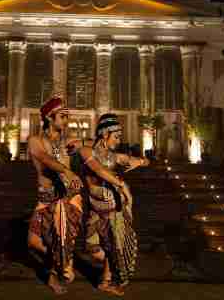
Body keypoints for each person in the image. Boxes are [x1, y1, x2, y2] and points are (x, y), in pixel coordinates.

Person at [78, 113, 150, 296]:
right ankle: (115, 264)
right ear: (104, 134)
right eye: (116, 137)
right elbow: (99, 171)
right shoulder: (87, 152)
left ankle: (106, 281)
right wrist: (120, 184)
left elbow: (140, 160)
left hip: (113, 206)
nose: (118, 141)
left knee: (112, 244)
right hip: (96, 206)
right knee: (91, 248)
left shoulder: (113, 156)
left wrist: (140, 161)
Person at [27, 96, 84, 294]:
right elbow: (44, 159)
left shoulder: (67, 142)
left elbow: (90, 145)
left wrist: (83, 143)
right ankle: (65, 257)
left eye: (67, 116)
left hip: (66, 198)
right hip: (44, 198)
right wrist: (66, 171)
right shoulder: (35, 141)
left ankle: (54, 275)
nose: (66, 120)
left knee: (59, 235)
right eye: (63, 116)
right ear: (50, 118)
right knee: (33, 242)